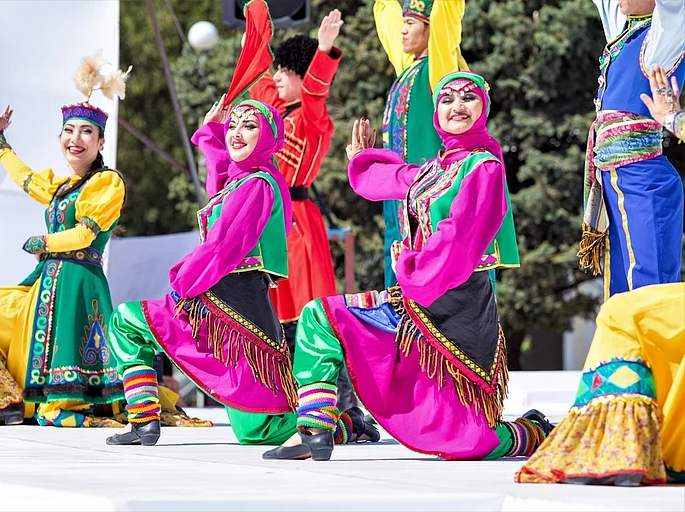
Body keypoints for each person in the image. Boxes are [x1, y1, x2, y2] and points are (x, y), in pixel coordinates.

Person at [263, 72, 549, 462]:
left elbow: (458, 239)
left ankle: (530, 431)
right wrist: (361, 161)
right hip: (416, 298)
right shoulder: (439, 167)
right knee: (320, 317)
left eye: (468, 98)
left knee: (466, 442)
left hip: (457, 309)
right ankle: (313, 428)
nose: (457, 107)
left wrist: (408, 267)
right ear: (436, 112)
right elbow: (396, 178)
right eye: (447, 100)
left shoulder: (484, 168)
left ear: (484, 108)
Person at [105, 98, 376, 447]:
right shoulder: (243, 182)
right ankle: (143, 420)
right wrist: (211, 133)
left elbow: (222, 248)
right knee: (128, 321)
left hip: (238, 313)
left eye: (249, 126)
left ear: (269, 136)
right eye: (233, 125)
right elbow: (219, 186)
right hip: (213, 305)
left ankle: (347, 424)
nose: (236, 132)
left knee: (257, 431)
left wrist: (182, 283)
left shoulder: (259, 185)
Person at [0, 56, 129, 427]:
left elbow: (85, 235)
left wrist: (43, 242)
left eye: (84, 132)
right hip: (43, 285)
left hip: (75, 285)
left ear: (100, 142)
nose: (74, 139)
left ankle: (14, 404)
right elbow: (27, 179)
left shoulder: (107, 183)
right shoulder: (63, 187)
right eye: (68, 131)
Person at [516, 64, 685, 488]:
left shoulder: (667, 38)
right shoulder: (632, 39)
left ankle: (636, 441)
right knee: (620, 311)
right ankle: (620, 438)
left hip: (648, 176)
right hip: (626, 176)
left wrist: (673, 122)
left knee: (638, 308)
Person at [577, 0, 684, 299]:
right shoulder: (626, 31)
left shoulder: (667, 31)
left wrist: (674, 120)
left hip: (643, 178)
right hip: (614, 178)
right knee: (621, 295)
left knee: (650, 292)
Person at [248, 10, 342, 350]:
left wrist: (324, 52)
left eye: (287, 71)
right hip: (269, 218)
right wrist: (254, 29)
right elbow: (258, 80)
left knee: (306, 312)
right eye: (279, 69)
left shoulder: (311, 119)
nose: (278, 77)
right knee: (272, 313)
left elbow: (317, 95)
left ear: (305, 77)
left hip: (297, 220)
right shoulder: (278, 113)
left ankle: (337, 396)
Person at [375, 0, 468, 287]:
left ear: (431, 31)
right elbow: (387, 16)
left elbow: (446, 12)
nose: (402, 31)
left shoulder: (438, 72)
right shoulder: (409, 69)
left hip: (428, 198)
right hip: (399, 196)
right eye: (403, 23)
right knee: (397, 259)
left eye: (411, 24)